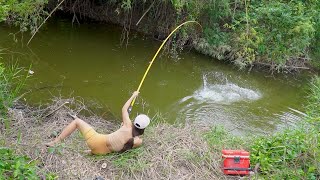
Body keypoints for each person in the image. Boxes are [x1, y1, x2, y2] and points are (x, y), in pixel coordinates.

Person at [45, 91, 150, 155]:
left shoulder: (127, 124)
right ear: (144, 128)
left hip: (95, 142)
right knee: (102, 145)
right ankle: (92, 152)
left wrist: (133, 96)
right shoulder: (138, 142)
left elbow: (124, 109)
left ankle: (56, 141)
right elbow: (126, 143)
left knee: (77, 121)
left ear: (135, 121)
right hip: (102, 153)